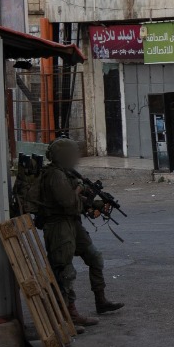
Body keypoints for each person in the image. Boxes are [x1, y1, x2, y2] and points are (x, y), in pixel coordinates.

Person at [38, 138, 124, 329]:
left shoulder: (66, 173)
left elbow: (78, 201)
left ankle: (101, 300)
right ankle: (69, 314)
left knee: (94, 257)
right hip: (59, 226)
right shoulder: (54, 175)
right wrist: (80, 191)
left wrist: (98, 204)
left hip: (72, 223)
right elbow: (69, 202)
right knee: (64, 270)